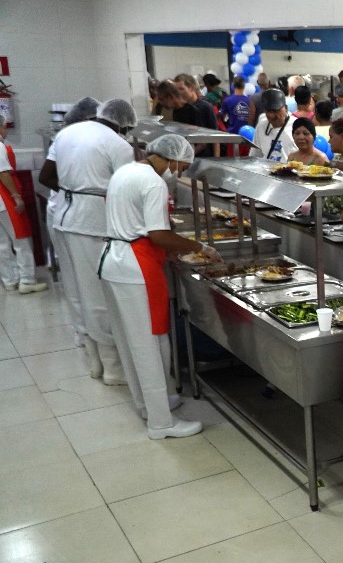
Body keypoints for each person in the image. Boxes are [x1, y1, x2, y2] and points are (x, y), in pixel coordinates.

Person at [99, 135, 221, 439]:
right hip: (135, 266)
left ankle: (148, 404)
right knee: (150, 344)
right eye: (182, 167)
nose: (179, 173)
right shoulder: (153, 183)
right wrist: (200, 247)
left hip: (113, 261)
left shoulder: (126, 171)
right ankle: (161, 423)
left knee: (130, 340)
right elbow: (158, 235)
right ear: (173, 158)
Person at [38, 99, 137, 384]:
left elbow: (46, 176)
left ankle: (94, 358)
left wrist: (73, 190)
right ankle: (113, 368)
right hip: (92, 224)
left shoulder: (66, 134)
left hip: (63, 218)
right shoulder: (119, 145)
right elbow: (128, 188)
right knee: (99, 296)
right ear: (124, 125)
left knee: (76, 289)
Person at [0, 114, 48, 294]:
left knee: (2, 243)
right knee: (21, 239)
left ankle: (10, 280)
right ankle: (27, 280)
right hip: (5, 199)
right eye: (4, 126)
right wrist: (16, 196)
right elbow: (3, 173)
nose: (6, 130)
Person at [253, 89, 298, 162]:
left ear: (286, 109)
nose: (271, 115)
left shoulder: (297, 126)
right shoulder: (261, 126)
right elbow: (255, 155)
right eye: (268, 111)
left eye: (275, 111)